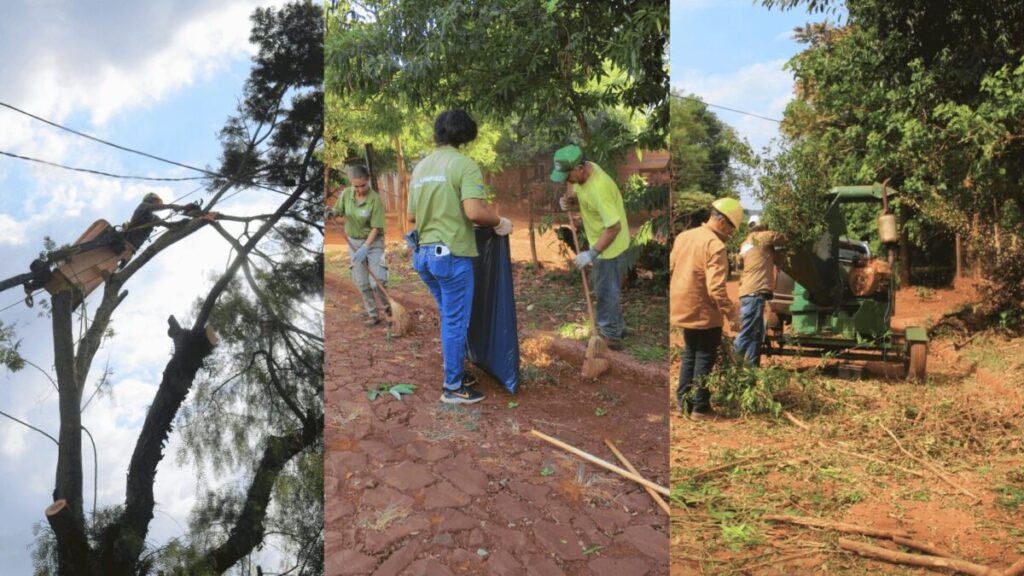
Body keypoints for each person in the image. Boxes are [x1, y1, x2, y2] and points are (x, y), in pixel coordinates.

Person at [408, 109, 513, 405]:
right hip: (450, 257)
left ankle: (457, 372)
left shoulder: (421, 168)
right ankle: (452, 386)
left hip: (423, 256)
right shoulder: (464, 165)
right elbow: (474, 212)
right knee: (455, 321)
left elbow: (412, 216)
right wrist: (498, 222)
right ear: (465, 135)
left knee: (451, 319)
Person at [670, 197, 743, 420]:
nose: (730, 234)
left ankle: (684, 402)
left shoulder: (684, 236)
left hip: (682, 305)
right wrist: (732, 314)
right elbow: (716, 289)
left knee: (690, 353)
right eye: (732, 228)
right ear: (723, 221)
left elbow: (672, 266)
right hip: (703, 310)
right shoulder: (715, 245)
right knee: (704, 356)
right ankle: (700, 407)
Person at [552, 145, 631, 350]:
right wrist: (568, 199)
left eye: (567, 175)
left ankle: (610, 335)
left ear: (579, 168)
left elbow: (614, 227)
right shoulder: (584, 171)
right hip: (601, 238)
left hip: (609, 245)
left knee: (606, 290)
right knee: (609, 286)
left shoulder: (599, 188)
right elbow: (572, 186)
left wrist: (592, 253)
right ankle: (618, 326)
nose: (566, 180)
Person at [334, 165, 390, 326]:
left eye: (363, 185)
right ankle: (373, 315)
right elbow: (338, 210)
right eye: (356, 186)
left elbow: (376, 227)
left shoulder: (375, 200)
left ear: (368, 181)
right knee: (363, 283)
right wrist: (331, 212)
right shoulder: (346, 194)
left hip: (373, 242)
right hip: (353, 242)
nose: (359, 190)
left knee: (378, 281)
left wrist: (365, 246)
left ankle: (389, 309)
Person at [734, 215, 787, 366]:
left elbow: (740, 264)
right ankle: (731, 366)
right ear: (762, 226)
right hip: (755, 292)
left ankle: (752, 367)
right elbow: (783, 237)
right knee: (747, 332)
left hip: (748, 292)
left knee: (756, 333)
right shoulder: (763, 237)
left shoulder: (745, 243)